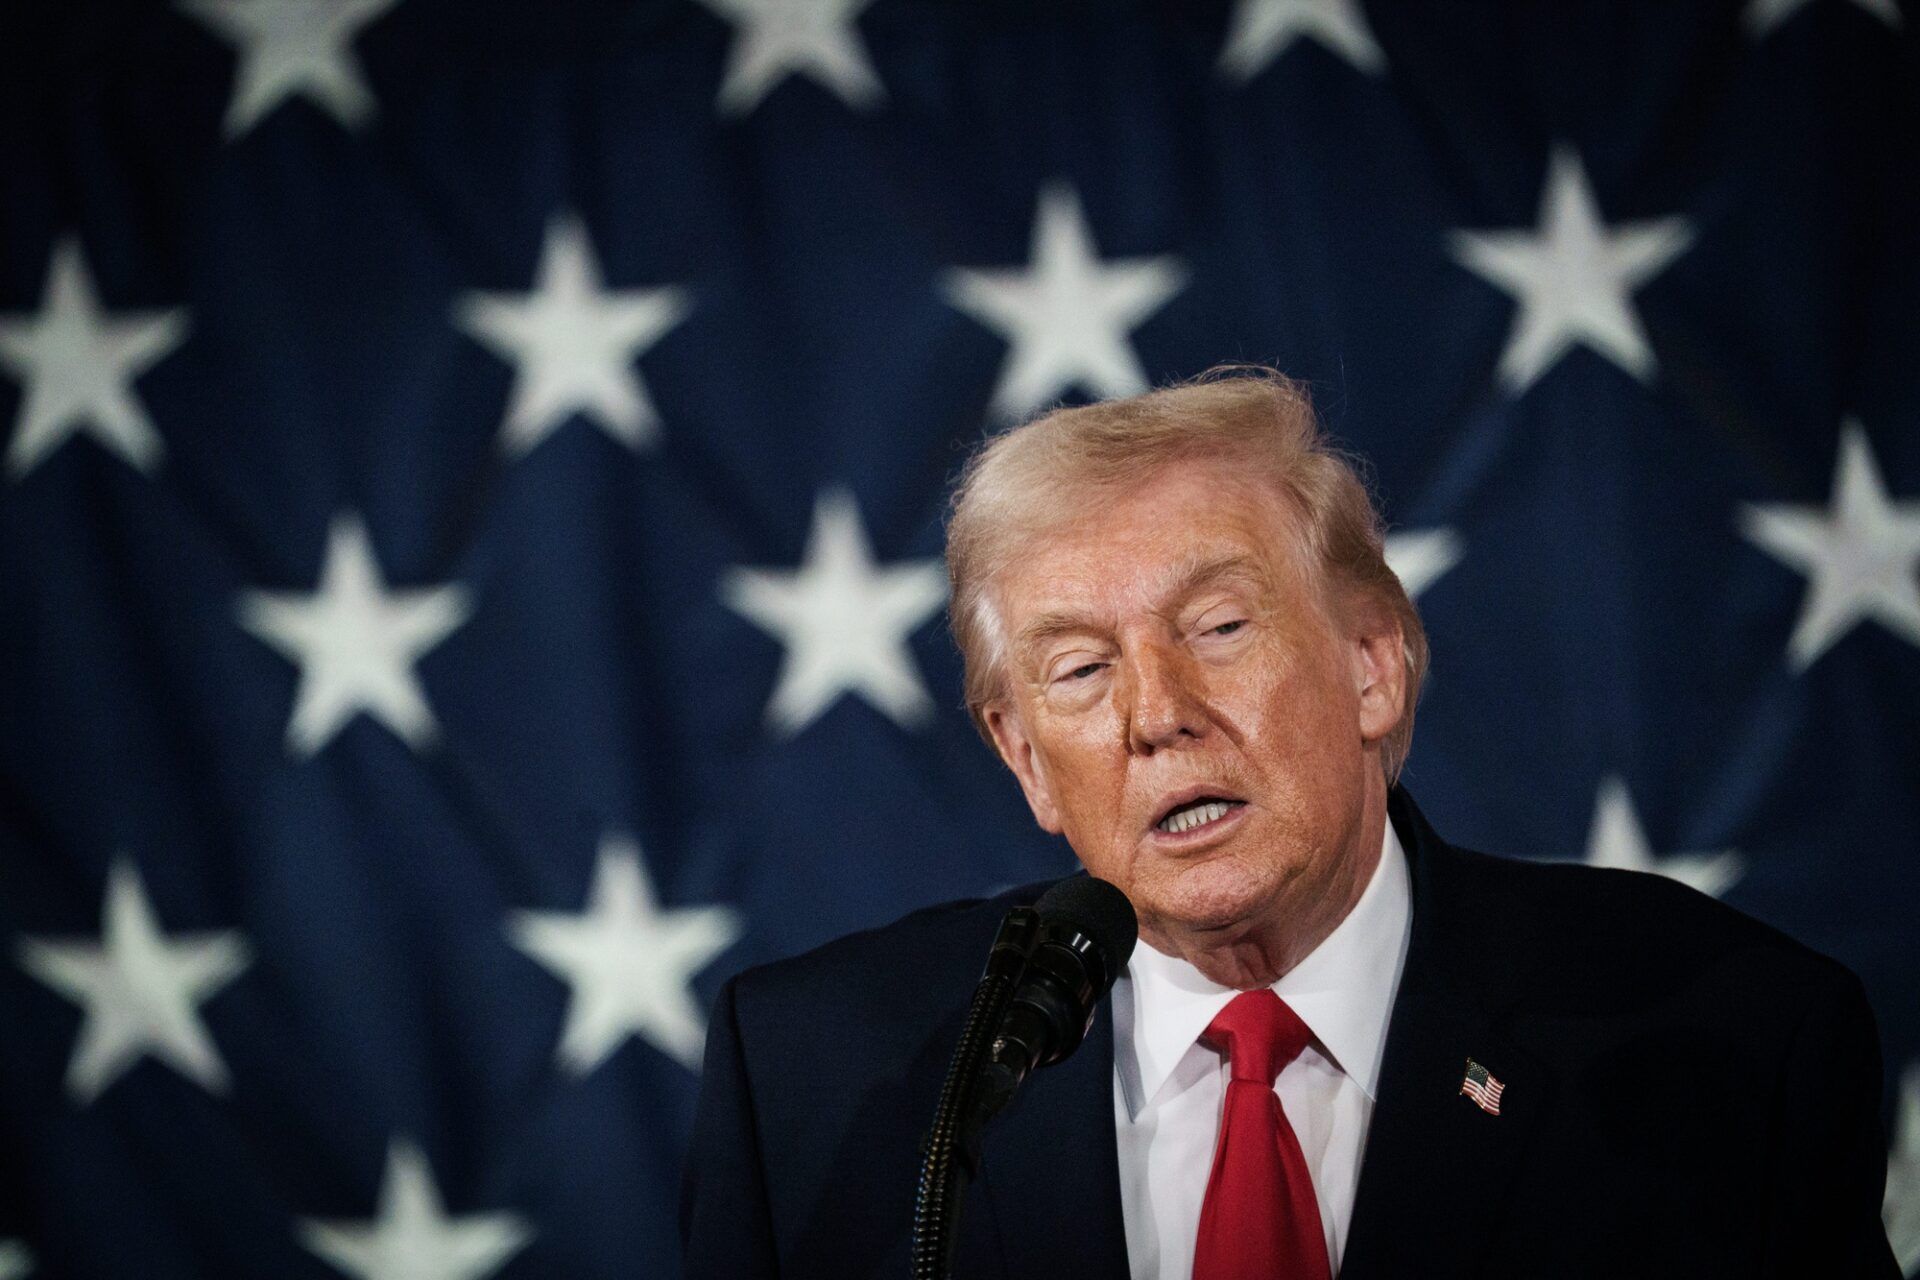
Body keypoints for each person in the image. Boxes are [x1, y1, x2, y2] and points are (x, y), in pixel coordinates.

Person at [680, 368, 1899, 1278]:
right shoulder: (819, 1081)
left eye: (1219, 627)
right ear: (1026, 761)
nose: (1159, 714)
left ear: (1374, 665)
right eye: (1081, 669)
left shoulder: (1732, 1041)